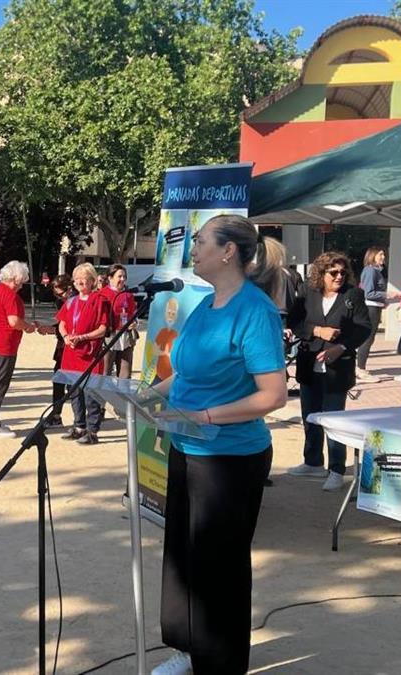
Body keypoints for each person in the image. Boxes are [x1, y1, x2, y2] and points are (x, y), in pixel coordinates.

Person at [147, 215, 286, 675]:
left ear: (228, 251)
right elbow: (185, 372)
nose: (194, 248)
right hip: (187, 447)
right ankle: (190, 651)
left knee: (218, 566)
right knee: (184, 556)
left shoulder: (255, 310)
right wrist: (143, 395)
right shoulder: (206, 304)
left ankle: (220, 664)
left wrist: (204, 416)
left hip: (229, 458)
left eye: (201, 241)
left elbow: (272, 395)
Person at [285, 252, 372, 492]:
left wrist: (341, 346)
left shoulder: (353, 295)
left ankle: (336, 469)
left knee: (334, 418)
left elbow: (364, 328)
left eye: (343, 272)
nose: (339, 277)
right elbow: (294, 321)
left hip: (338, 366)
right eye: (334, 272)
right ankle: (312, 461)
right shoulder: (307, 293)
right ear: (321, 273)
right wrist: (316, 331)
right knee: (309, 415)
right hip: (308, 362)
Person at [0, 261, 42, 440]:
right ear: (15, 279)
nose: (22, 285)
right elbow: (14, 321)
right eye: (21, 281)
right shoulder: (9, 295)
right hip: (2, 345)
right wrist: (28, 326)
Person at [57, 263, 112, 445]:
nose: (80, 281)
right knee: (74, 392)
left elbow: (103, 329)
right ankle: (79, 425)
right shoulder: (71, 301)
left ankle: (92, 430)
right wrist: (66, 336)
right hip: (72, 352)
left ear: (92, 281)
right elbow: (62, 323)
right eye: (77, 278)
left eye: (84, 278)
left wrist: (82, 337)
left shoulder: (99, 300)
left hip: (90, 353)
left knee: (91, 393)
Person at [356, 246, 390, 381]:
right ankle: (360, 368)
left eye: (383, 255)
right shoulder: (371, 270)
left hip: (375, 306)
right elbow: (369, 293)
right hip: (371, 307)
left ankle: (360, 366)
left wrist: (383, 300)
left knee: (369, 338)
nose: (383, 257)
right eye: (380, 254)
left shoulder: (376, 271)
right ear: (372, 256)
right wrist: (386, 294)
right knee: (368, 338)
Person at [100, 264, 138, 380]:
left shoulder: (128, 294)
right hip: (109, 337)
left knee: (125, 374)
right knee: (105, 372)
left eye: (124, 277)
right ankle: (100, 397)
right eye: (119, 276)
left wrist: (134, 322)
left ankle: (122, 397)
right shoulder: (102, 294)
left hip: (125, 336)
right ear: (110, 278)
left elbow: (133, 312)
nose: (122, 279)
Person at [47, 274, 73, 427]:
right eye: (56, 294)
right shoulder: (61, 302)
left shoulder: (75, 301)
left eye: (61, 293)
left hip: (73, 346)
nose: (59, 297)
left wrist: (51, 329)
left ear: (69, 288)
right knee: (58, 380)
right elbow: (62, 324)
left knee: (74, 385)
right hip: (61, 347)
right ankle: (56, 415)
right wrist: (53, 329)